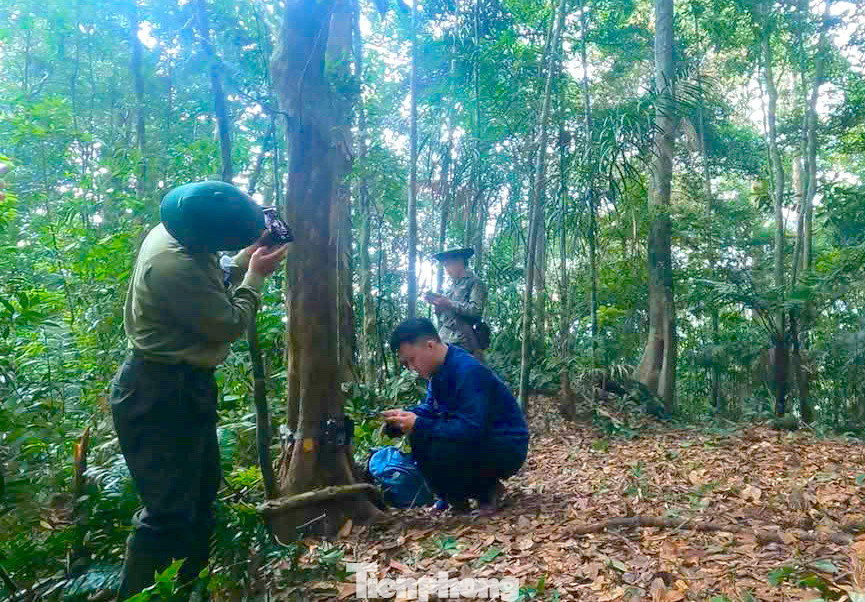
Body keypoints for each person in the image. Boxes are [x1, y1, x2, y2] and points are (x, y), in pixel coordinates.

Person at [109, 181, 289, 601]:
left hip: (182, 386)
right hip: (158, 393)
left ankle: (188, 591)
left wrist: (242, 252)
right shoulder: (174, 267)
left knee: (202, 500)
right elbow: (228, 323)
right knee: (168, 514)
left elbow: (208, 270)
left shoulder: (175, 225)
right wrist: (254, 276)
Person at [382, 318, 528, 515]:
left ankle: (488, 491)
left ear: (430, 346)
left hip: (505, 445)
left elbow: (470, 428)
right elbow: (432, 409)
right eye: (407, 363)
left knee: (435, 439)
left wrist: (419, 424)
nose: (412, 367)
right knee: (422, 435)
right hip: (480, 438)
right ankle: (454, 498)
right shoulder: (439, 372)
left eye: (412, 359)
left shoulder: (467, 371)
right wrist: (404, 417)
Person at [425, 247, 487, 361]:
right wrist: (439, 307)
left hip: (464, 341)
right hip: (445, 340)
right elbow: (447, 315)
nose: (447, 269)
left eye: (448, 265)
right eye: (445, 266)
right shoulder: (451, 287)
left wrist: (448, 303)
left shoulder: (475, 283)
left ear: (460, 262)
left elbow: (476, 310)